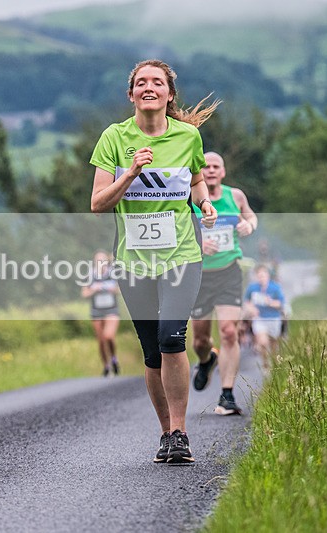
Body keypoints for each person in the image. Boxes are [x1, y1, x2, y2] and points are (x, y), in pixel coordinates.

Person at [90, 59, 219, 464]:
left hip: (181, 254)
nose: (149, 87)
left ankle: (180, 433)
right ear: (131, 95)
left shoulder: (188, 136)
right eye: (141, 82)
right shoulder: (113, 138)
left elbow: (196, 179)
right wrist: (130, 173)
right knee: (151, 352)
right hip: (133, 261)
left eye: (157, 82)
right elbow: (97, 204)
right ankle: (165, 433)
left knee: (171, 338)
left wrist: (204, 204)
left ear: (169, 94)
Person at [189, 152, 258, 416]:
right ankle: (207, 360)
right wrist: (199, 243)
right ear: (199, 171)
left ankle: (227, 395)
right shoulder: (190, 197)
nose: (210, 170)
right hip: (199, 274)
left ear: (223, 171)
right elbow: (178, 230)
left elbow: (251, 218)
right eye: (205, 166)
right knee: (200, 341)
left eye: (216, 166)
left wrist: (248, 226)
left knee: (229, 331)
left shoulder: (235, 196)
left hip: (229, 271)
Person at [81, 249, 121, 377]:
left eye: (102, 260)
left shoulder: (113, 273)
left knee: (108, 336)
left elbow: (120, 289)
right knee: (101, 341)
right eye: (97, 260)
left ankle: (114, 358)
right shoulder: (90, 275)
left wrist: (112, 289)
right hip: (96, 312)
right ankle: (106, 366)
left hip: (111, 310)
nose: (100, 262)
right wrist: (94, 289)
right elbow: (84, 293)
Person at [244, 264, 285, 369]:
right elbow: (246, 302)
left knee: (274, 345)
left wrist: (269, 302)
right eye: (259, 275)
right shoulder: (252, 288)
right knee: (263, 343)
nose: (261, 277)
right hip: (259, 319)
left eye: (263, 275)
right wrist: (251, 309)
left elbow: (280, 303)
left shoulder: (275, 288)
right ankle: (265, 364)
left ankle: (275, 365)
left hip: (273, 318)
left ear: (268, 275)